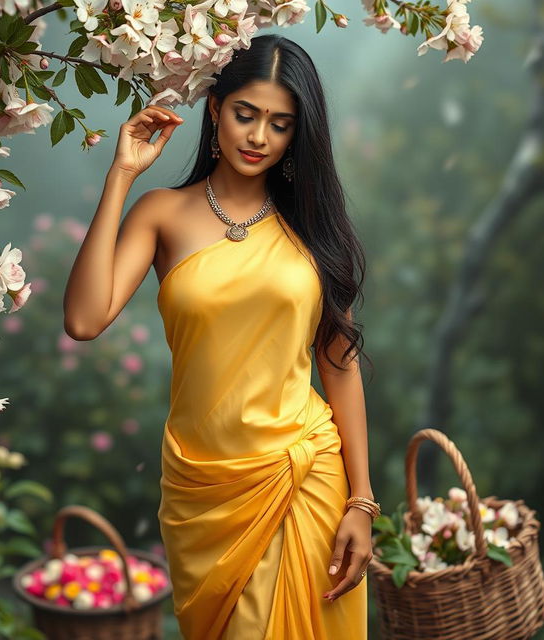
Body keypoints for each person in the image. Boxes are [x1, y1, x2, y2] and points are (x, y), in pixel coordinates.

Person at [64, 33, 378, 640]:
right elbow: (83, 320)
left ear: (297, 135)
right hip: (204, 492)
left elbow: (339, 363)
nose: (258, 136)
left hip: (300, 479)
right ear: (215, 109)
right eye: (245, 114)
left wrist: (361, 501)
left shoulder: (309, 229)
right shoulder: (162, 214)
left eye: (280, 124)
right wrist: (122, 175)